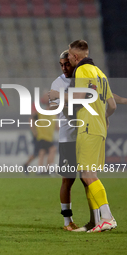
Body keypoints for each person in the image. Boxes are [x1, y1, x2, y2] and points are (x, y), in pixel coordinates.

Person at [49, 40, 117, 232]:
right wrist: (103, 118)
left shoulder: (82, 71)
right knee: (79, 177)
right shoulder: (100, 73)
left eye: (68, 58)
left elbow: (78, 98)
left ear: (75, 57)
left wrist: (59, 97)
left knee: (87, 175)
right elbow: (112, 105)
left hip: (86, 128)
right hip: (92, 130)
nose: (66, 62)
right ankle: (93, 221)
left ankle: (107, 218)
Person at [49, 50, 79, 231]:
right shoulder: (58, 82)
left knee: (88, 179)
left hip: (86, 137)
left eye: (66, 64)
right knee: (68, 180)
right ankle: (67, 221)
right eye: (61, 64)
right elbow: (52, 104)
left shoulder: (83, 79)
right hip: (68, 138)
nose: (64, 67)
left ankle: (98, 217)